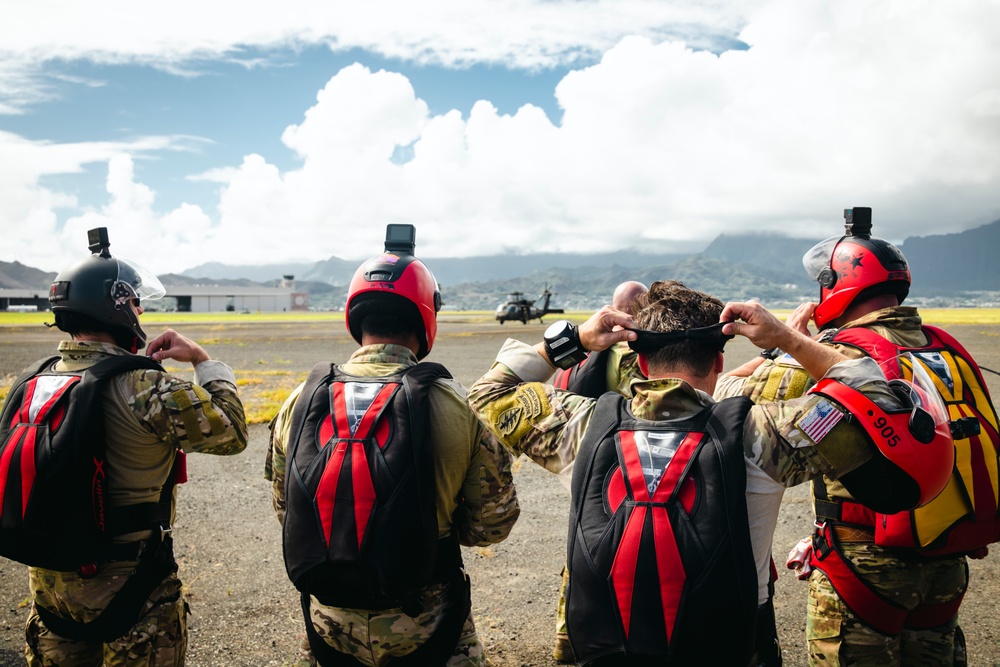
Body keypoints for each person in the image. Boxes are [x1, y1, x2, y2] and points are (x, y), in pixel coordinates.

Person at [468, 279, 954, 665]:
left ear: (637, 361)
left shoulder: (580, 427)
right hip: (733, 644)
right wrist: (787, 340)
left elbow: (486, 395)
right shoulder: (761, 435)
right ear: (720, 360)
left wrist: (570, 341)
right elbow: (881, 396)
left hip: (606, 645)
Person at [718, 207, 1000, 666]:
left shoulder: (839, 353)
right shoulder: (942, 347)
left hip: (866, 559)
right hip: (946, 559)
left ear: (838, 286)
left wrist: (784, 345)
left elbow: (731, 399)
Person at [265, 224, 519, 667]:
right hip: (428, 621)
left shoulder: (299, 401)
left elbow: (286, 507)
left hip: (329, 620)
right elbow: (492, 525)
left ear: (355, 316)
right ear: (426, 316)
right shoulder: (456, 405)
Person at [0, 227, 248, 666]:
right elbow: (231, 433)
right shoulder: (144, 385)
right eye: (135, 302)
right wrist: (203, 361)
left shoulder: (30, 381)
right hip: (130, 585)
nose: (139, 311)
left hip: (49, 588)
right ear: (116, 308)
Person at [548, 280, 647, 662]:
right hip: (627, 472)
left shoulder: (590, 355)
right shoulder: (635, 358)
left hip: (586, 464)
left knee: (582, 551)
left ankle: (566, 636)